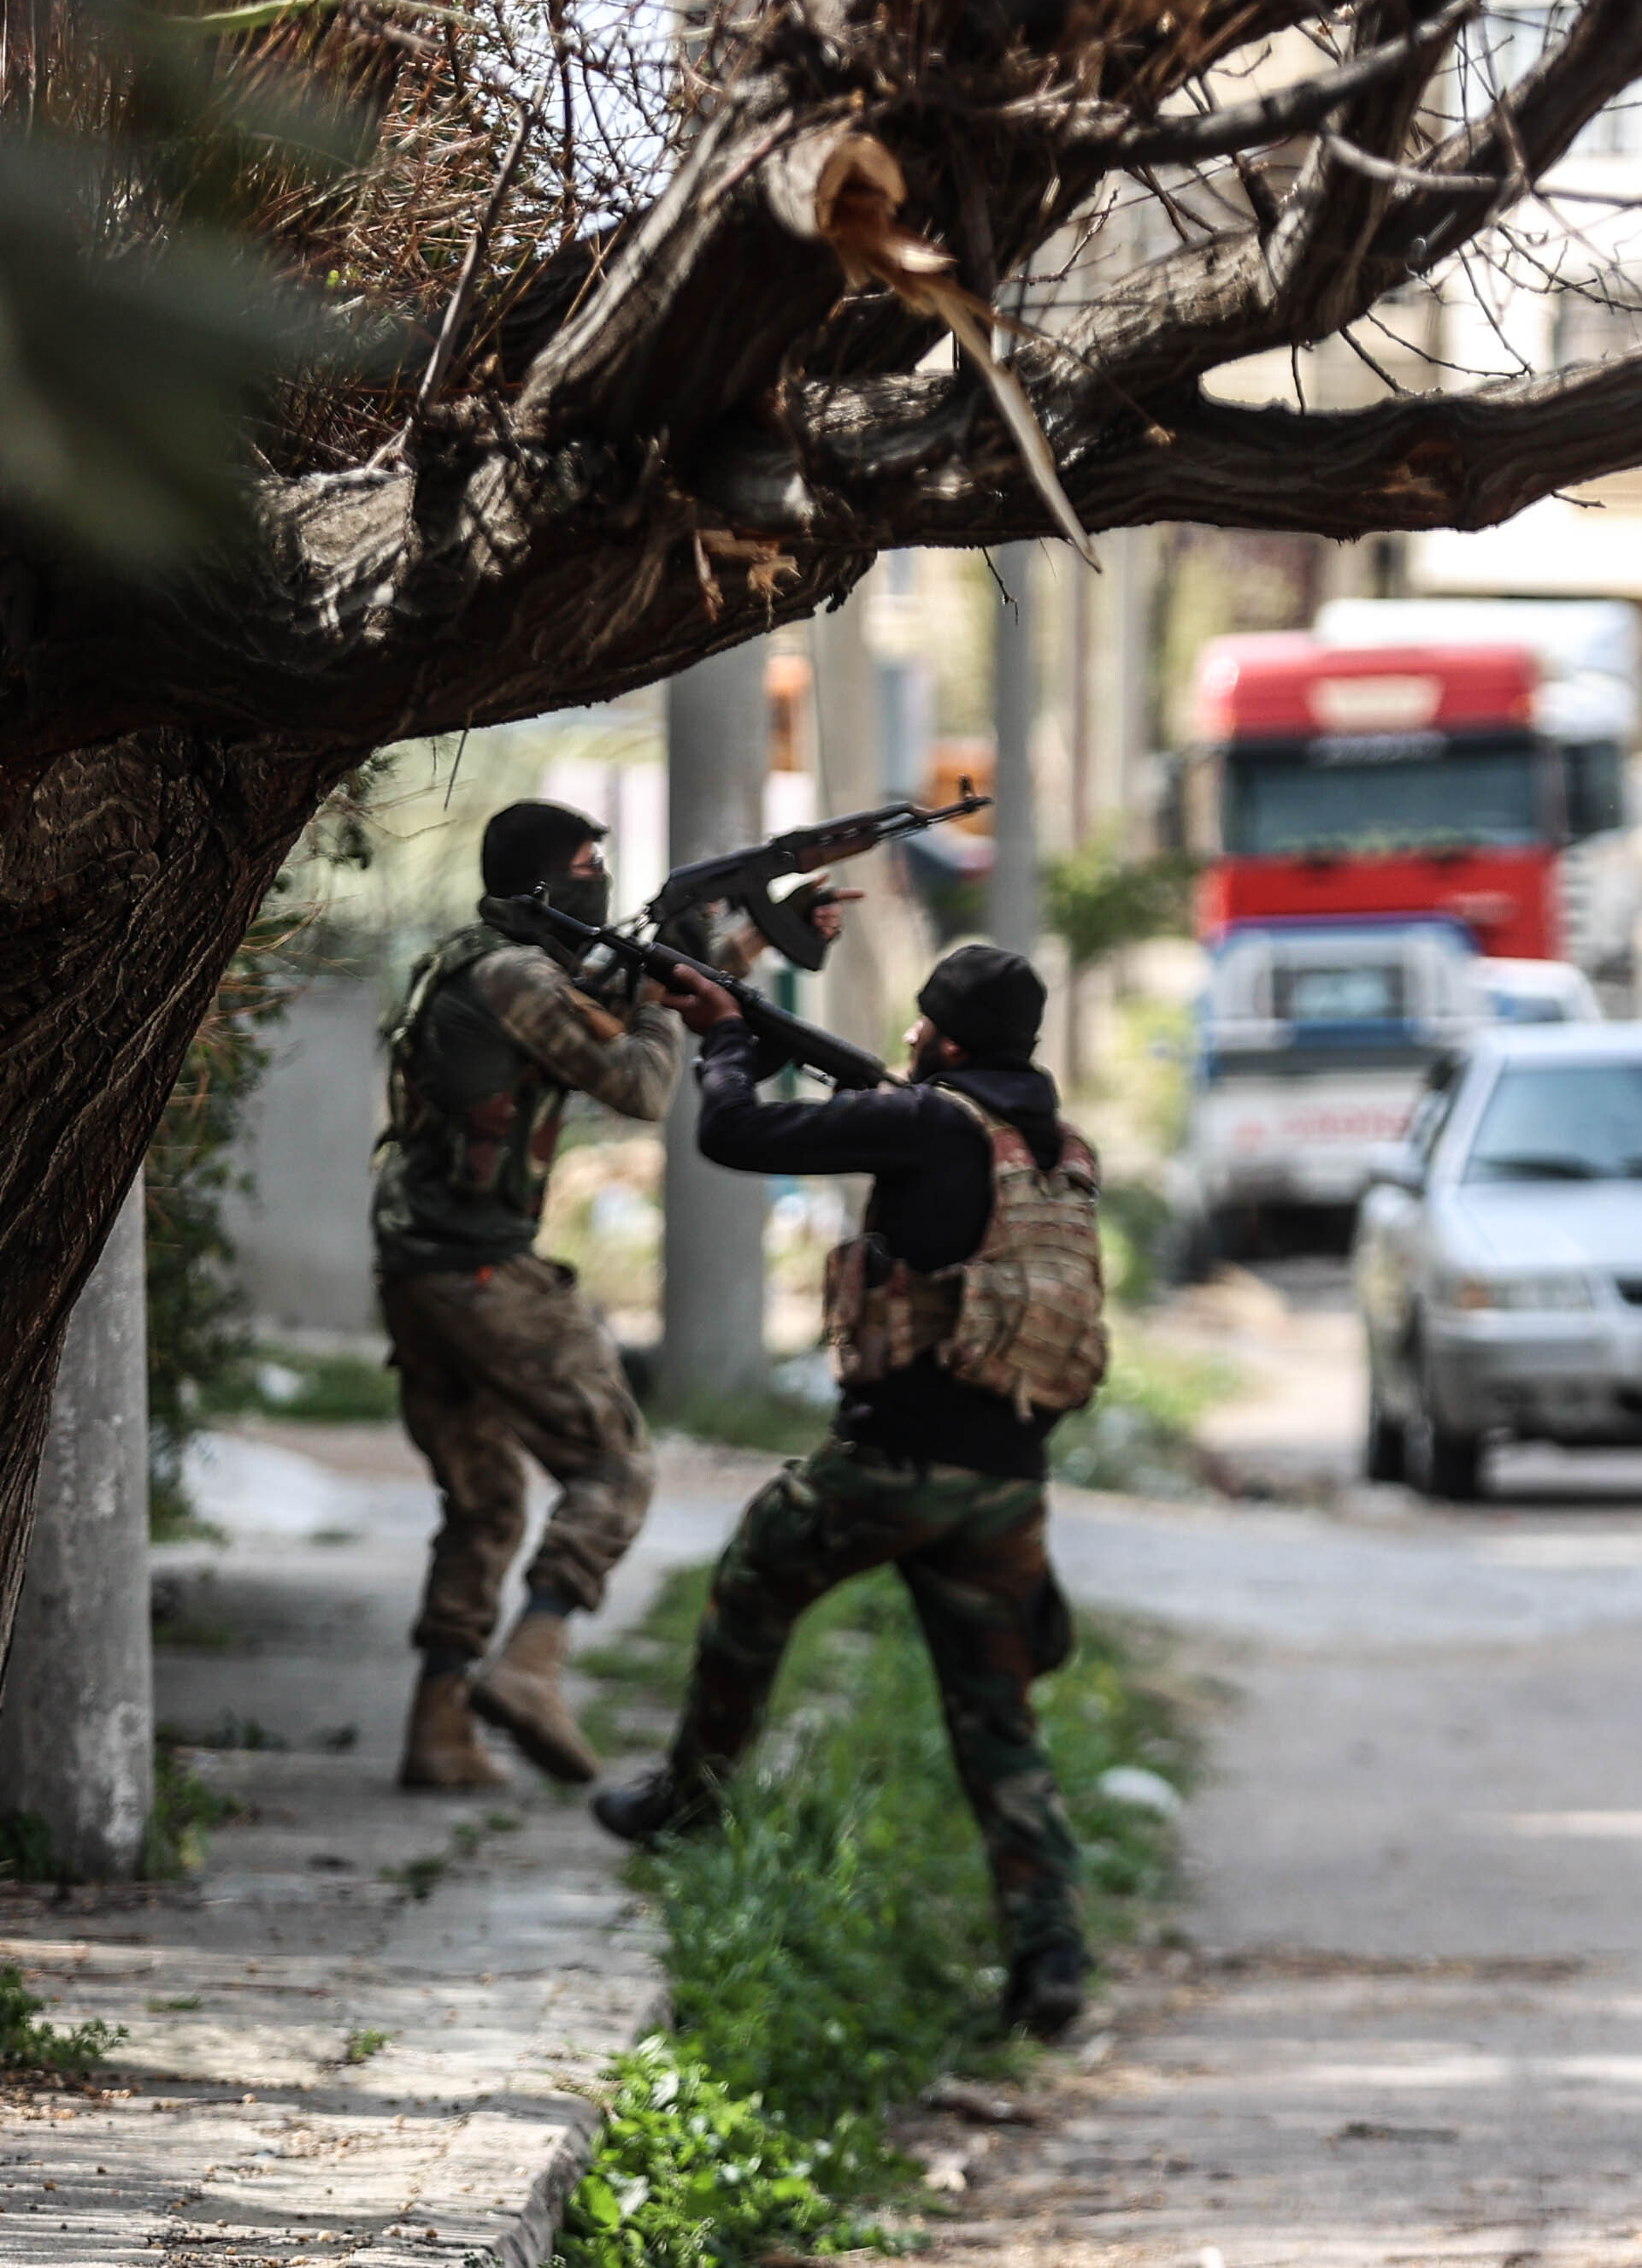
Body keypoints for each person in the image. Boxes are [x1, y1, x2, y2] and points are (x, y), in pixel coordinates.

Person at [591, 943, 1113, 2037]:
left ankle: (689, 1800)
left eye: (923, 1025)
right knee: (998, 1722)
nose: (910, 1038)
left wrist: (727, 1041)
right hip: (1007, 1484)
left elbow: (733, 1133)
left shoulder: (930, 1123)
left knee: (751, 1580)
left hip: (891, 1463)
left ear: (950, 1039)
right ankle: (1050, 1959)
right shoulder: (1059, 1148)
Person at [371, 799, 684, 1791]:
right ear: (550, 884)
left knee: (486, 1500)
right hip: (481, 1270)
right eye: (589, 864)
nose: (602, 879)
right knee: (614, 1468)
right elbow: (639, 1085)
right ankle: (532, 1663)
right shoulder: (514, 975)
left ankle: (438, 1730)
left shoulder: (472, 959)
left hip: (418, 1265)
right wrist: (672, 993)